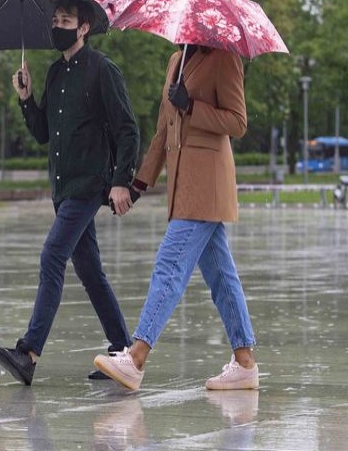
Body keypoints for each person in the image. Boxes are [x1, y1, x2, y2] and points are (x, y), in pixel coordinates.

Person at [0, 0, 140, 386]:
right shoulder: (55, 74)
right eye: (54, 19)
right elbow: (43, 133)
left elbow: (128, 129)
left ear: (84, 27)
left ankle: (28, 353)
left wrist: (121, 180)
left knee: (52, 255)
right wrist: (26, 99)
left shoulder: (102, 70)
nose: (58, 25)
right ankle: (123, 351)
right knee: (90, 270)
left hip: (89, 185)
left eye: (66, 19)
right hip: (62, 188)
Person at [93, 44, 259, 391]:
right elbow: (163, 132)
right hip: (183, 187)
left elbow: (238, 121)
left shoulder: (223, 58)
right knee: (222, 278)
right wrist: (137, 184)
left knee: (169, 266)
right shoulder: (174, 61)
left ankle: (136, 357)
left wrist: (193, 107)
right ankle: (245, 362)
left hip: (207, 184)